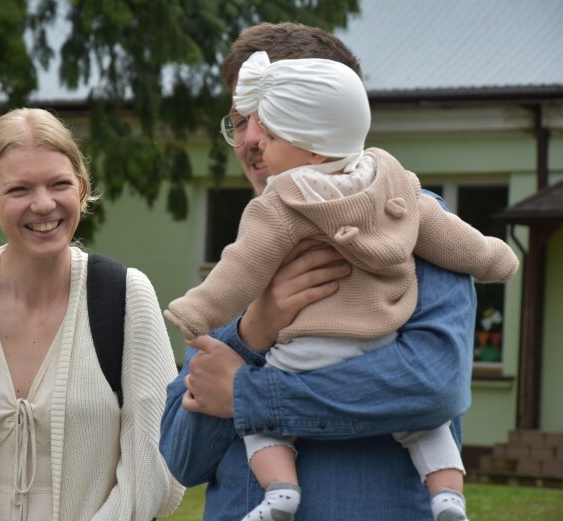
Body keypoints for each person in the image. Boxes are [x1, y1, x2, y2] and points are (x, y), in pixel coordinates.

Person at [165, 50, 519, 521]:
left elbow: (432, 386)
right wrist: (253, 331)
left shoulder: (408, 219)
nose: (251, 138)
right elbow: (182, 460)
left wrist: (250, 396)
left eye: (267, 120)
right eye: (238, 120)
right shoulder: (241, 261)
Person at [0, 107, 183, 521]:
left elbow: (154, 461)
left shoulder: (125, 296)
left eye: (59, 184)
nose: (43, 204)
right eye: (19, 190)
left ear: (81, 189)